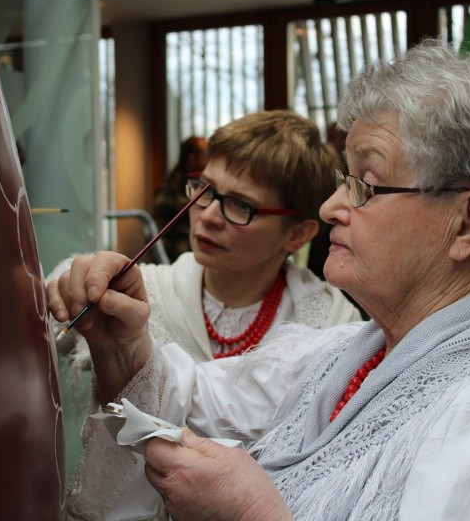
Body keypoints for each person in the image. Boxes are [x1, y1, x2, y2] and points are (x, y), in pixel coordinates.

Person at [48, 41, 470, 520]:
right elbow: (198, 403)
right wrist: (121, 342)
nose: (332, 208)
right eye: (342, 178)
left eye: (365, 184)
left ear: (469, 222)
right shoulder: (358, 350)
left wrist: (255, 514)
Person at [50, 109, 362, 519]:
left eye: (240, 205)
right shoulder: (141, 297)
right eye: (204, 190)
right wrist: (66, 288)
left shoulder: (331, 326)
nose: (209, 215)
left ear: (299, 233)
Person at [152, 135, 209, 262]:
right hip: (180, 258)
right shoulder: (169, 191)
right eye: (206, 155)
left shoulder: (203, 184)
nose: (210, 160)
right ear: (192, 159)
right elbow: (158, 238)